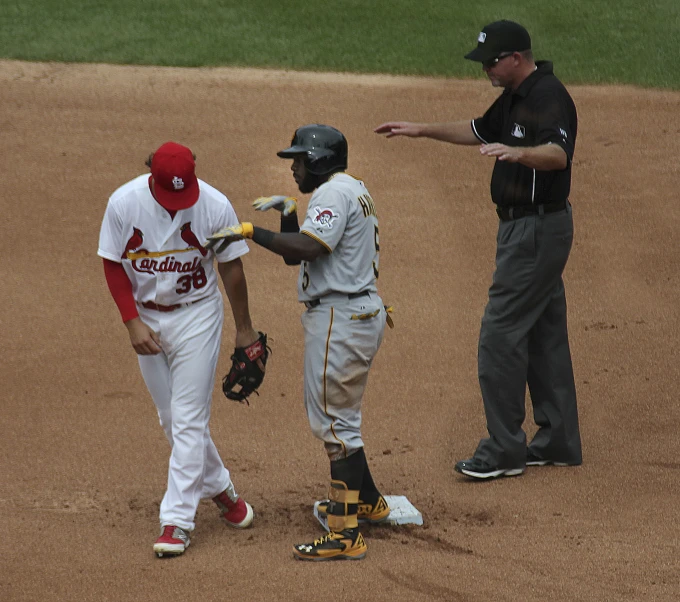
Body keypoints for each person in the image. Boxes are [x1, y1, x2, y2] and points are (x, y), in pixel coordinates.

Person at [375, 20, 582, 480]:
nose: (485, 68)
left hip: (533, 231)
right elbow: (477, 130)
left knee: (500, 334)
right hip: (534, 230)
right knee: (544, 332)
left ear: (516, 58)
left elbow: (557, 154)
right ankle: (559, 440)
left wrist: (518, 152)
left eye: (491, 61)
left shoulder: (548, 97)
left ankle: (505, 450)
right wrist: (420, 130)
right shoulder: (513, 95)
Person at [205, 124, 392, 560]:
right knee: (342, 418)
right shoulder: (350, 188)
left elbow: (309, 250)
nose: (293, 168)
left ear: (321, 160)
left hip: (339, 320)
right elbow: (298, 250)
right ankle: (368, 502)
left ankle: (345, 534)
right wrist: (289, 212)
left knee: (335, 425)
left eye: (299, 160)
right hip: (356, 311)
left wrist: (251, 231)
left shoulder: (331, 195)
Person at [98, 141, 264, 557]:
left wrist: (245, 329)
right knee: (171, 418)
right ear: (150, 174)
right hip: (147, 319)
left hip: (197, 315)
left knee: (189, 418)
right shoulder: (124, 203)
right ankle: (222, 491)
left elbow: (231, 266)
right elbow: (112, 262)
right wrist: (130, 320)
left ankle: (176, 521)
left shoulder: (214, 205)